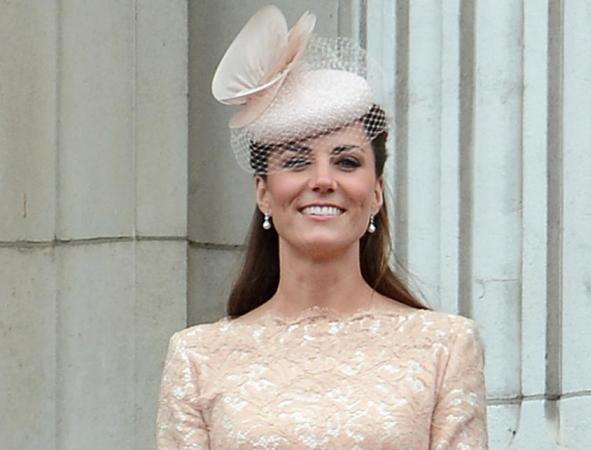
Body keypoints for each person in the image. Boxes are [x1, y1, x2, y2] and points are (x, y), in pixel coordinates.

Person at [156, 5, 488, 449]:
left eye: (346, 161)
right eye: (296, 162)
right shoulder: (198, 356)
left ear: (375, 191)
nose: (323, 181)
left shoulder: (445, 345)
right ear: (263, 192)